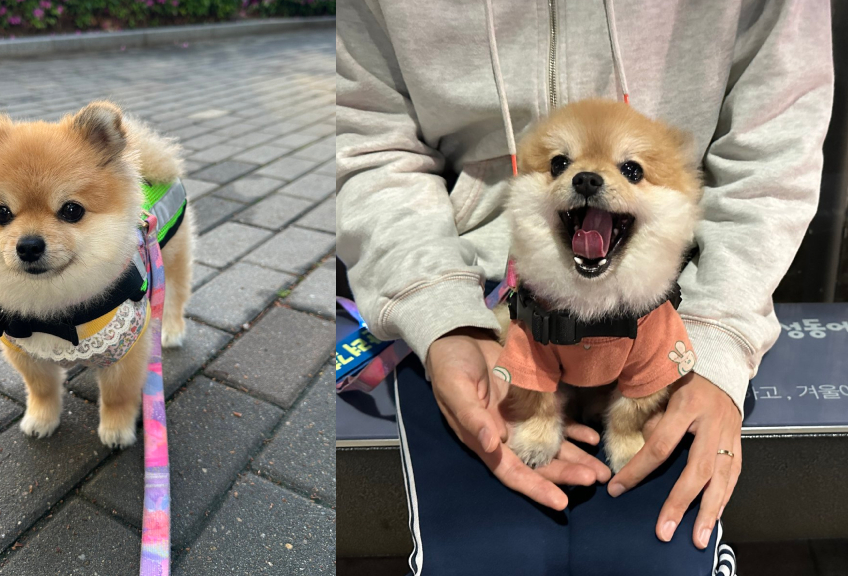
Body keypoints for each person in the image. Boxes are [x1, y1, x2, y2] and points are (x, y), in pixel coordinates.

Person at [335, 1, 833, 574]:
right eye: (563, 163)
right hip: (473, 291)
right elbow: (366, 143)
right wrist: (441, 312)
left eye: (629, 169)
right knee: (484, 558)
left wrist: (718, 337)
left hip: (692, 292)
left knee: (655, 556)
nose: (589, 178)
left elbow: (777, 147)